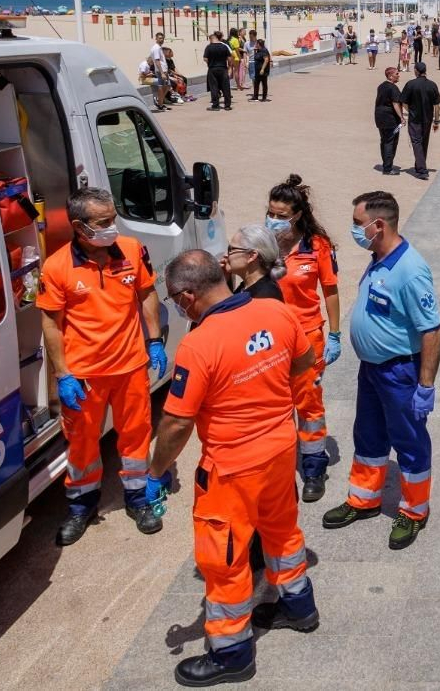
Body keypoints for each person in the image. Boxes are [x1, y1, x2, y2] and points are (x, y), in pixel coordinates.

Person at [150, 251, 320, 687]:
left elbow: (176, 423)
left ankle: (232, 654)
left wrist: (155, 472)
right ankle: (299, 608)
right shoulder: (275, 311)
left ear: (188, 295)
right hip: (281, 450)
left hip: (231, 468)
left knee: (222, 560)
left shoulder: (199, 343)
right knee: (282, 533)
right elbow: (303, 363)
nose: (177, 307)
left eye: (174, 300)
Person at [37, 188, 165, 545]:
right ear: (79, 226)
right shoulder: (57, 267)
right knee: (81, 444)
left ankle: (138, 499)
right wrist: (63, 374)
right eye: (103, 222)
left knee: (136, 436)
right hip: (84, 376)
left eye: (113, 218)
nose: (113, 227)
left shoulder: (132, 250)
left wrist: (154, 340)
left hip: (130, 368)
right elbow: (51, 324)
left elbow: (147, 293)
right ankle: (81, 506)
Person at [319, 191, 440, 552]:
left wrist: (425, 385)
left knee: (409, 441)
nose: (355, 230)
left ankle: (414, 511)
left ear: (379, 225)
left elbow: (431, 329)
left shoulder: (410, 270)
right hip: (371, 370)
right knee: (369, 436)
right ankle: (364, 500)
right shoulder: (379, 258)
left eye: (358, 224)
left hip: (400, 372)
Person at [268, 175, 340, 501]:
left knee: (308, 405)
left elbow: (331, 291)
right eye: (271, 213)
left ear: (297, 214)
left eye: (281, 215)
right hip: (268, 338)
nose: (274, 220)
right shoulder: (263, 245)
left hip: (307, 338)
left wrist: (335, 333)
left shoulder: (317, 247)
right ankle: (280, 465)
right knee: (274, 404)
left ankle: (313, 467)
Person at [401, 62, 440, 180]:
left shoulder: (410, 84)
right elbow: (437, 106)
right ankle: (420, 165)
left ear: (416, 71)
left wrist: (410, 112)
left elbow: (404, 102)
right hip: (427, 119)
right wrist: (437, 121)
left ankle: (422, 170)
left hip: (415, 119)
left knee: (416, 142)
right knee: (424, 142)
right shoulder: (432, 85)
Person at [226, 224, 284, 301]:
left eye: (231, 249)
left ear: (251, 256)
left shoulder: (264, 297)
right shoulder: (248, 286)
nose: (226, 255)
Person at [375, 66, 405, 176]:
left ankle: (386, 164)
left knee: (384, 141)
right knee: (390, 142)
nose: (398, 75)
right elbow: (396, 103)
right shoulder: (393, 88)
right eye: (397, 74)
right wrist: (401, 117)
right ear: (390, 76)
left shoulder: (381, 86)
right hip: (390, 118)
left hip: (379, 117)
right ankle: (387, 168)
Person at [203, 31, 234, 111]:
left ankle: (215, 105)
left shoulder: (209, 47)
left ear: (211, 39)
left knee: (214, 87)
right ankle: (227, 105)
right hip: (223, 68)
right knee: (226, 87)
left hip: (212, 69)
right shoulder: (224, 47)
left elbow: (205, 59)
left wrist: (209, 63)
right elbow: (230, 59)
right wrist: (230, 67)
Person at [148, 31, 171, 111]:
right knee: (161, 87)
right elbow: (157, 61)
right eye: (160, 38)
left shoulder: (159, 48)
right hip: (160, 71)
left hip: (164, 71)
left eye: (162, 38)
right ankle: (160, 103)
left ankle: (160, 102)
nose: (161, 40)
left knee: (167, 86)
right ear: (156, 38)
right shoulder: (156, 48)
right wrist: (162, 72)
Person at [250, 38, 272, 102]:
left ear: (259, 44)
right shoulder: (258, 50)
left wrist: (262, 69)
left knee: (264, 83)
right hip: (257, 70)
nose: (255, 44)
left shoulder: (264, 50)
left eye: (256, 43)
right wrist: (255, 51)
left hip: (263, 70)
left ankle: (264, 97)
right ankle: (255, 97)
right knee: (256, 83)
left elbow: (266, 60)